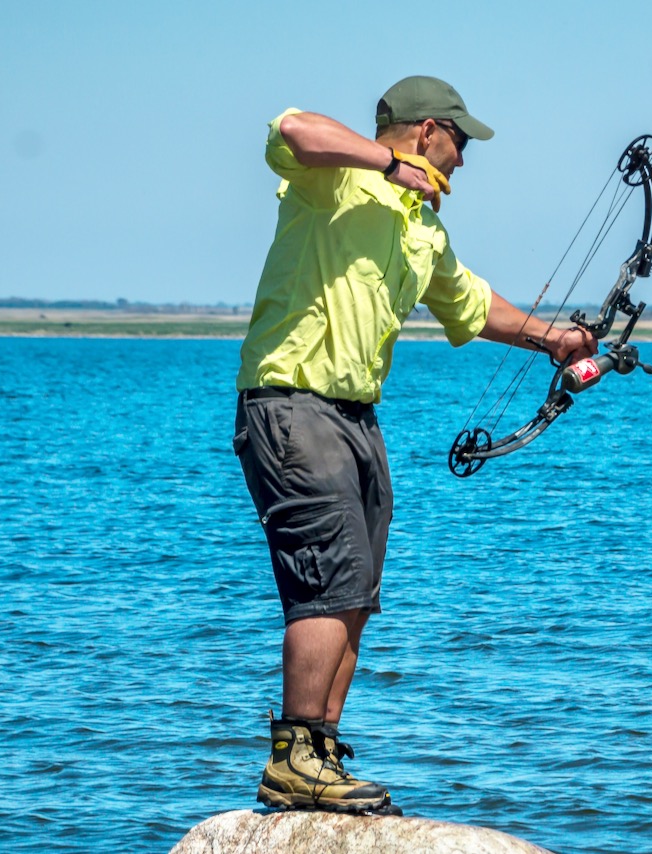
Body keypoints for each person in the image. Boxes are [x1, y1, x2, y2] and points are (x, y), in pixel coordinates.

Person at [232, 76, 596, 815]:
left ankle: (323, 751)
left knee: (356, 593)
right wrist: (386, 164)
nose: (464, 159)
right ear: (427, 131)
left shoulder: (421, 227)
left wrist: (555, 339)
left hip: (358, 418)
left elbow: (469, 301)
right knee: (328, 580)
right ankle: (293, 756)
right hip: (291, 403)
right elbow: (295, 126)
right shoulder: (327, 181)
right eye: (460, 142)